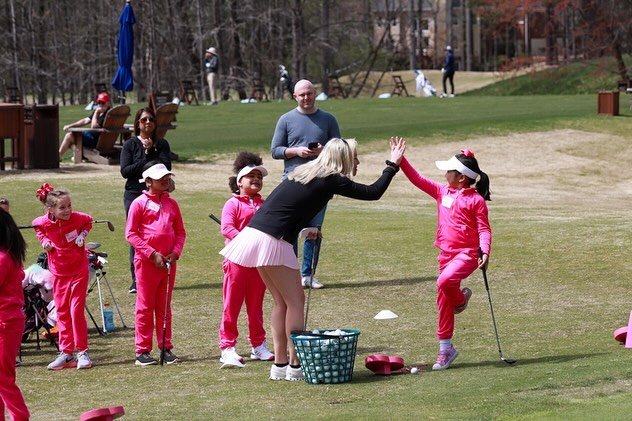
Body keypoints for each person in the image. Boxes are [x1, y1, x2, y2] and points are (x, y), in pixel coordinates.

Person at [221, 137, 406, 382]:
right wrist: (392, 165)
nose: (357, 162)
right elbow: (373, 192)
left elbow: (289, 206)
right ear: (344, 159)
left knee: (281, 303)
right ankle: (295, 366)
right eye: (355, 157)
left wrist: (306, 227)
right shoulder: (331, 179)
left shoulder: (303, 172)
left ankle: (280, 365)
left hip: (255, 234)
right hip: (273, 240)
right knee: (295, 302)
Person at [399, 148, 491, 370]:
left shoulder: (476, 200)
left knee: (443, 282)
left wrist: (485, 251)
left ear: (461, 178)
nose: (444, 175)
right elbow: (418, 179)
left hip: (468, 254)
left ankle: (460, 301)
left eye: (449, 171)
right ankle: (445, 349)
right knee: (443, 302)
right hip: (445, 254)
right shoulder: (442, 191)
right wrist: (401, 161)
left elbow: (484, 230)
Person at [271, 79, 341, 289]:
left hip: (320, 183)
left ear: (315, 93)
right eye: (301, 95)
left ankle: (308, 275)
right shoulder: (285, 119)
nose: (306, 98)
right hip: (293, 183)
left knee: (313, 230)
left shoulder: (328, 119)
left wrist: (323, 151)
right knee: (290, 230)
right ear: (295, 96)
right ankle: (291, 273)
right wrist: (296, 151)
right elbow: (275, 150)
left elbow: (339, 148)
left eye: (309, 94)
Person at [126, 162, 186, 366]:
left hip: (169, 263)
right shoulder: (139, 203)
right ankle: (142, 351)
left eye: (167, 177)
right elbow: (131, 234)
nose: (166, 180)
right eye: (161, 178)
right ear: (149, 181)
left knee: (164, 306)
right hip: (146, 263)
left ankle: (165, 347)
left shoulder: (172, 204)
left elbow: (180, 232)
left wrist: (175, 253)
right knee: (145, 306)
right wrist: (152, 254)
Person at [218, 152, 274, 368]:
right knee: (231, 305)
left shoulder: (265, 204)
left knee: (256, 305)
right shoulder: (232, 204)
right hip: (237, 261)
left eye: (259, 176)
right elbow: (227, 228)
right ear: (239, 181)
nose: (257, 179)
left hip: (258, 262)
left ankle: (258, 345)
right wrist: (247, 239)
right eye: (251, 176)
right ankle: (227, 347)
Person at [32, 184, 94, 370]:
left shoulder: (78, 218)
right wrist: (45, 241)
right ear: (51, 209)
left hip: (78, 271)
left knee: (76, 311)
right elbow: (38, 227)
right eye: (62, 207)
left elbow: (89, 221)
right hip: (59, 273)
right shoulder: (43, 222)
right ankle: (66, 353)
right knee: (62, 312)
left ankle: (82, 352)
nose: (67, 210)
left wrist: (83, 234)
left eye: (69, 206)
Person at [120, 107, 172, 294]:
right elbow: (126, 171)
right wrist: (145, 155)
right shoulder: (130, 145)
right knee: (137, 236)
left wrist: (152, 152)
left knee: (161, 232)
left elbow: (165, 167)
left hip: (159, 195)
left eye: (151, 119)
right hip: (135, 194)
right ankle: (137, 279)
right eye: (143, 120)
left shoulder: (162, 144)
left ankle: (162, 268)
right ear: (137, 123)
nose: (148, 122)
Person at [0, 209, 31, 420]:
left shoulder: (3, 258)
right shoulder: (8, 255)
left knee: (3, 378)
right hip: (7, 321)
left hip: (5, 322)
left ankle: (21, 417)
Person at [58, 92, 112, 160]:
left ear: (108, 103)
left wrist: (96, 112)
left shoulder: (107, 115)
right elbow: (85, 120)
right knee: (70, 138)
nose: (100, 104)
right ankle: (77, 155)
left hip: (96, 141)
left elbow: (94, 127)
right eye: (99, 102)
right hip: (93, 137)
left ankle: (59, 156)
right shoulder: (102, 112)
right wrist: (70, 126)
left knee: (69, 136)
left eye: (103, 102)